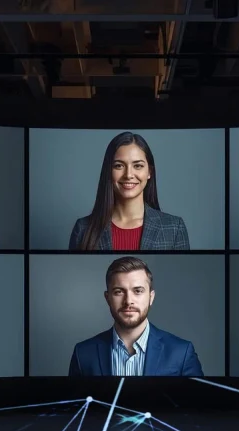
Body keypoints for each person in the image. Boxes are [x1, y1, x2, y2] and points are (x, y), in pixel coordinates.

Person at [68, 256, 203, 376]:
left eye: (138, 291)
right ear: (107, 298)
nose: (128, 301)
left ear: (151, 297)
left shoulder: (181, 352)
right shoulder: (83, 353)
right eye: (119, 292)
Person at [69, 132, 190, 251]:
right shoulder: (83, 229)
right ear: (108, 171)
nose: (128, 175)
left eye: (138, 166)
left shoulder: (174, 228)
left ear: (150, 172)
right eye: (119, 166)